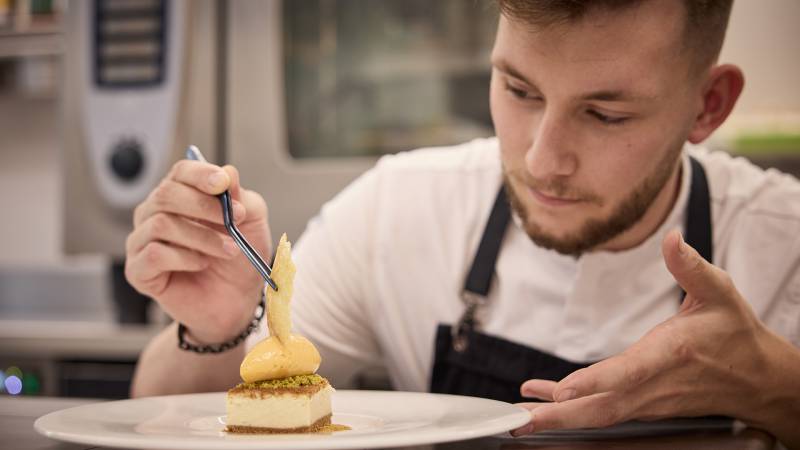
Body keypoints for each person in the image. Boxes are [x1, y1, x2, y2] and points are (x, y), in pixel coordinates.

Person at [126, 0, 800, 446]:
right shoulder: (400, 208)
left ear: (708, 106)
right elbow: (157, 415)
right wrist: (214, 333)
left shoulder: (783, 241)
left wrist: (775, 386)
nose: (541, 160)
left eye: (605, 114)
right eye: (518, 90)